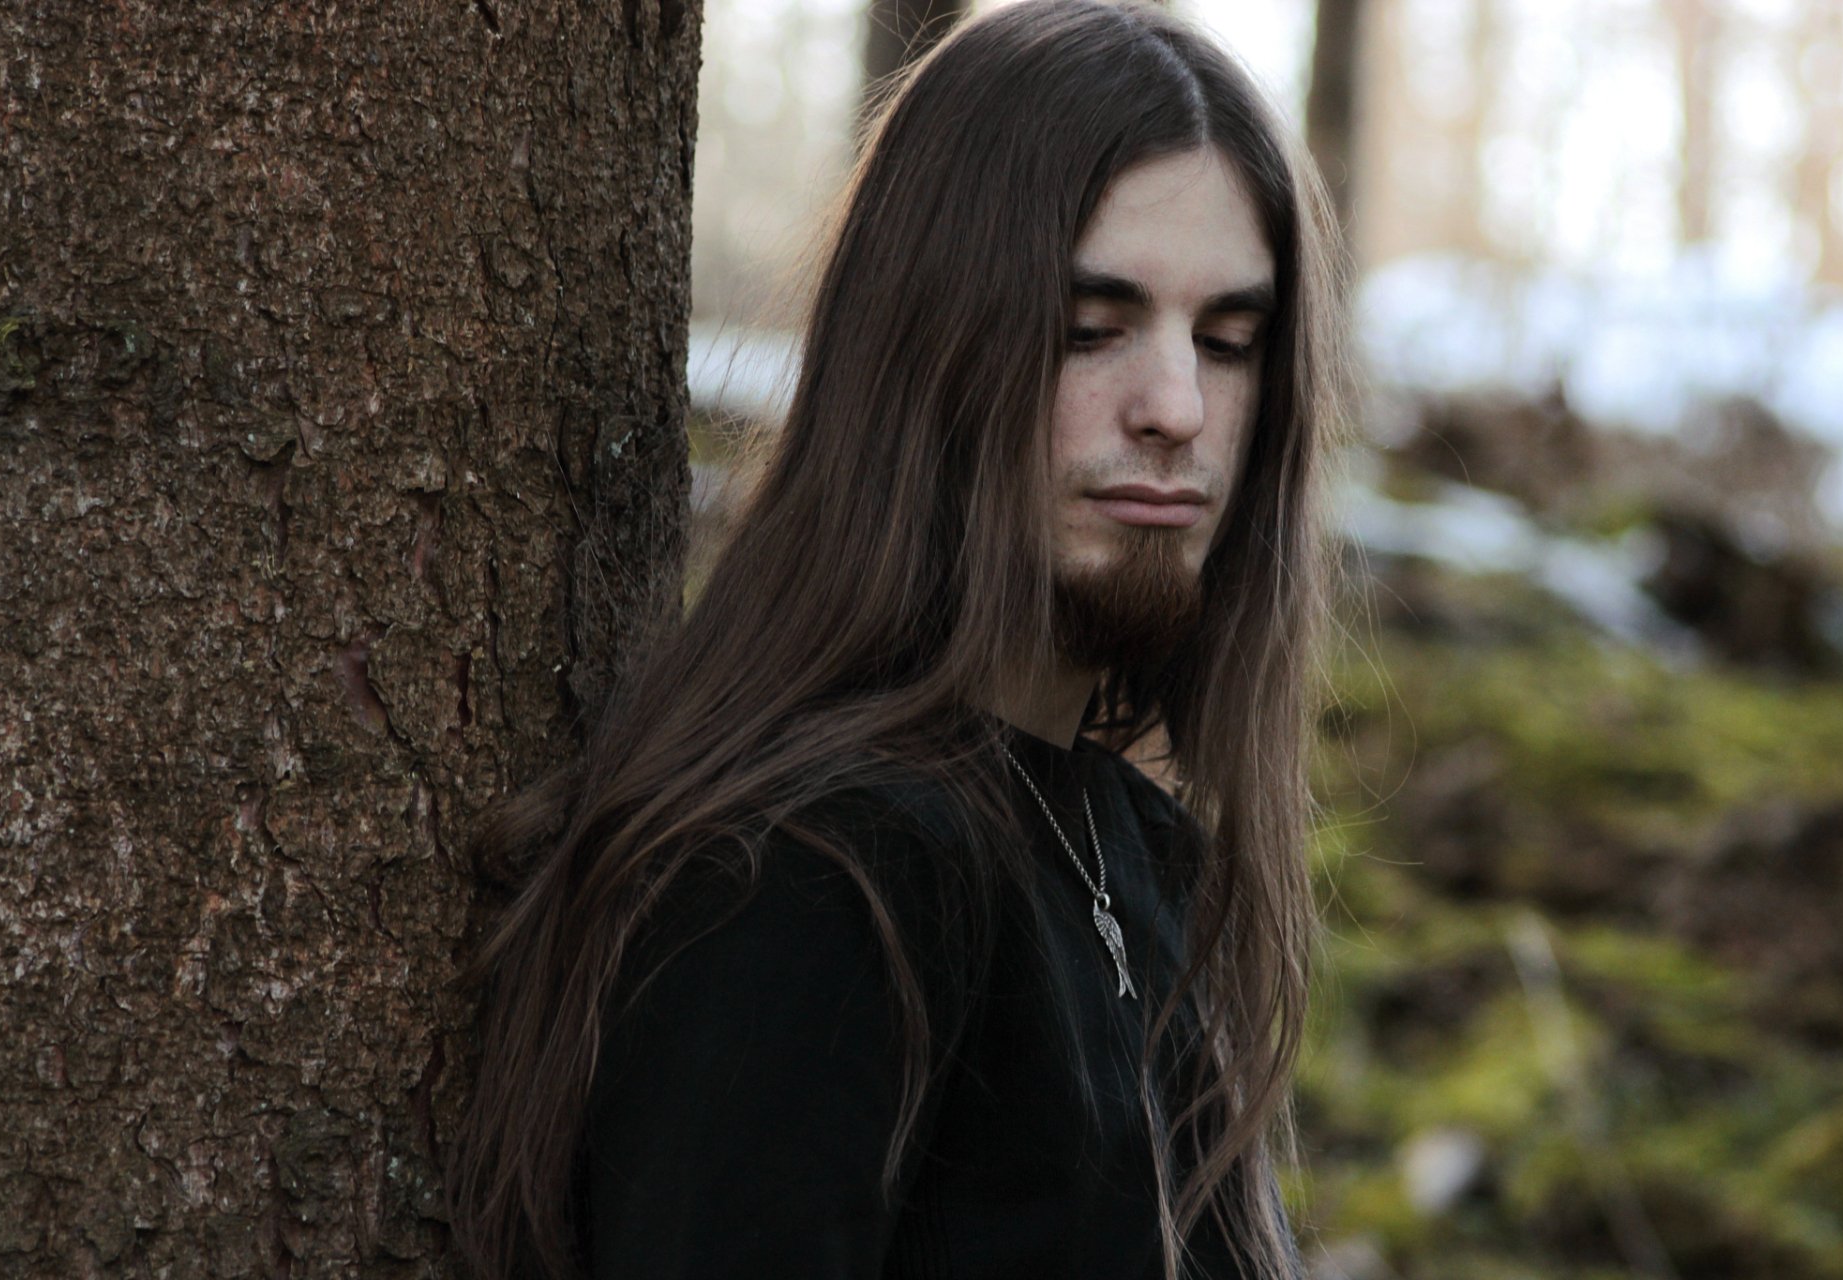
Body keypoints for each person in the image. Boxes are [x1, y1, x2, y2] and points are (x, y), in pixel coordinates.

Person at [445, 0, 1347, 1276]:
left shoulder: (1139, 853)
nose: (1177, 406)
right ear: (930, 349)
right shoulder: (811, 874)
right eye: (1091, 329)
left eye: (1228, 341)